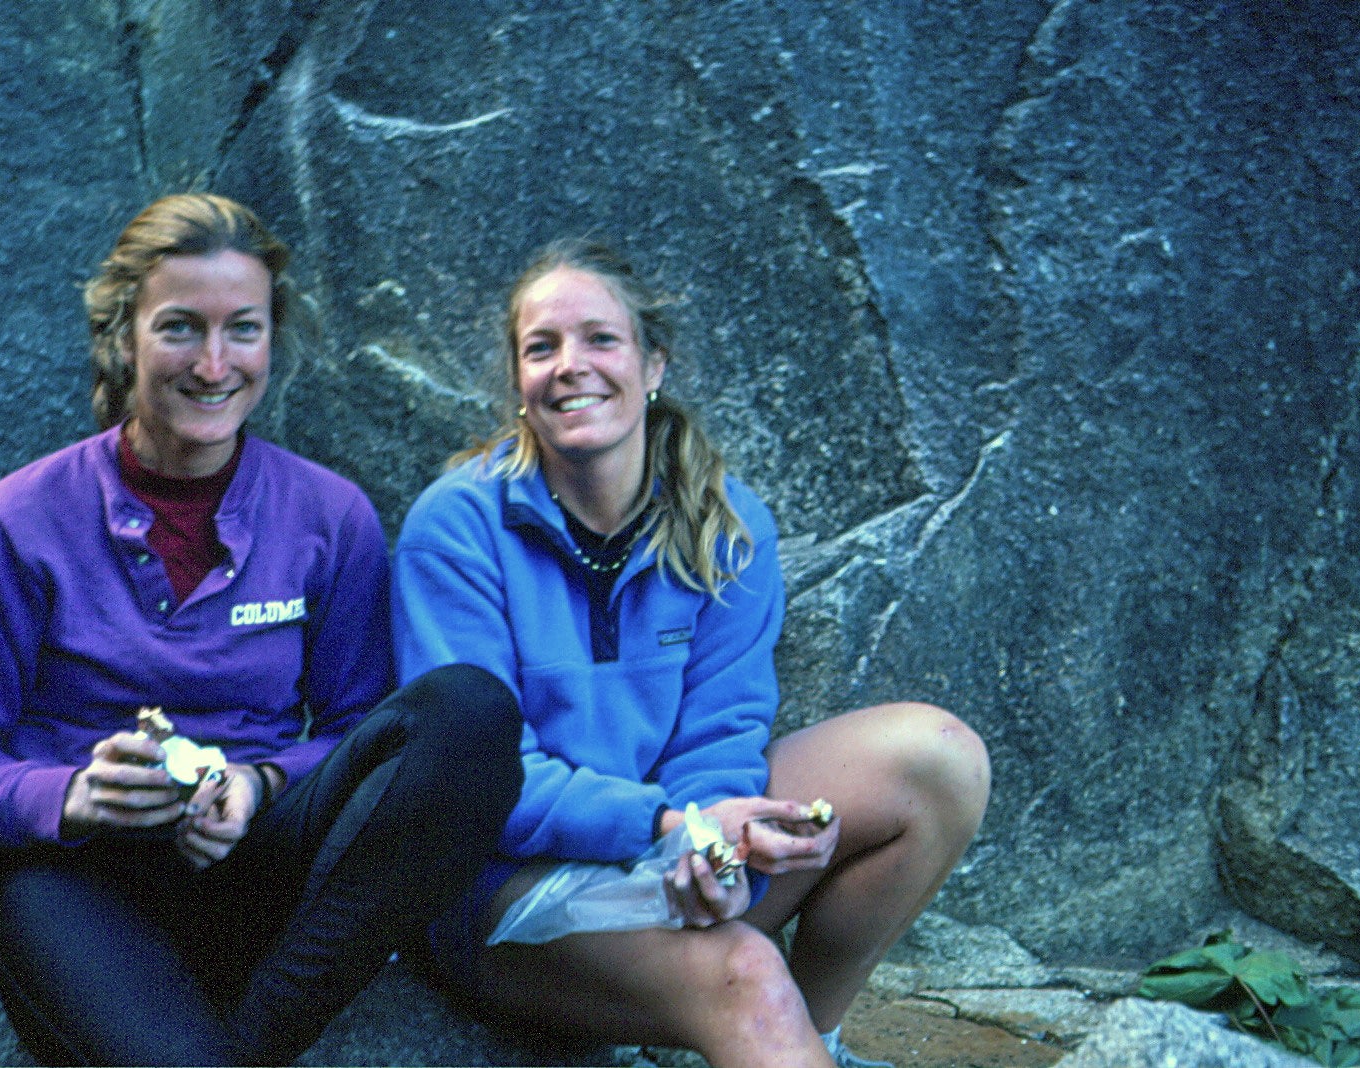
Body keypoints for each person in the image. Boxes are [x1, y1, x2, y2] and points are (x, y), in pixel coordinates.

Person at [0, 193, 523, 1067]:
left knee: (469, 712)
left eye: (244, 330)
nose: (215, 363)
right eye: (181, 327)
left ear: (273, 342)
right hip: (83, 884)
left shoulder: (328, 515)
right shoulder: (14, 523)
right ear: (123, 336)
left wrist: (260, 782)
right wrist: (73, 795)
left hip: (263, 860)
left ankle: (257, 1040)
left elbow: (360, 733)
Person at [391, 238, 992, 1068]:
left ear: (653, 364)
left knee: (939, 761)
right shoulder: (456, 529)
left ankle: (808, 1037)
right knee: (745, 971)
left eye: (601, 339)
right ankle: (749, 1014)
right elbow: (476, 778)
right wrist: (669, 829)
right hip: (506, 891)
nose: (572, 366)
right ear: (518, 384)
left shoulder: (726, 524)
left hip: (670, 838)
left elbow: (724, 729)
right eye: (542, 347)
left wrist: (714, 846)